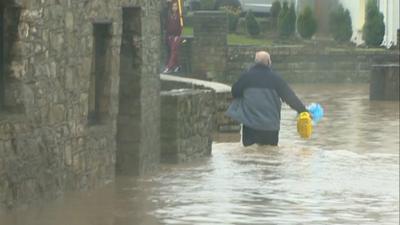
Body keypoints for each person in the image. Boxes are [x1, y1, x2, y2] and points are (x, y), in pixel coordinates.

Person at [226, 51, 309, 146]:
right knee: (270, 155)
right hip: (271, 128)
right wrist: (303, 111)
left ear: (255, 62)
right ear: (269, 62)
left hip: (250, 127)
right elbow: (290, 98)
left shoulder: (246, 77)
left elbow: (235, 92)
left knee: (249, 155)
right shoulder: (276, 79)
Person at [162, 0, 183, 74]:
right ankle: (177, 65)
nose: (175, 8)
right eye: (173, 6)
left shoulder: (180, 16)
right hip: (170, 36)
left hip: (178, 36)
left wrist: (179, 36)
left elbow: (182, 27)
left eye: (176, 6)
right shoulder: (168, 15)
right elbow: (167, 26)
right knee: (173, 51)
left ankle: (168, 67)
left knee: (173, 50)